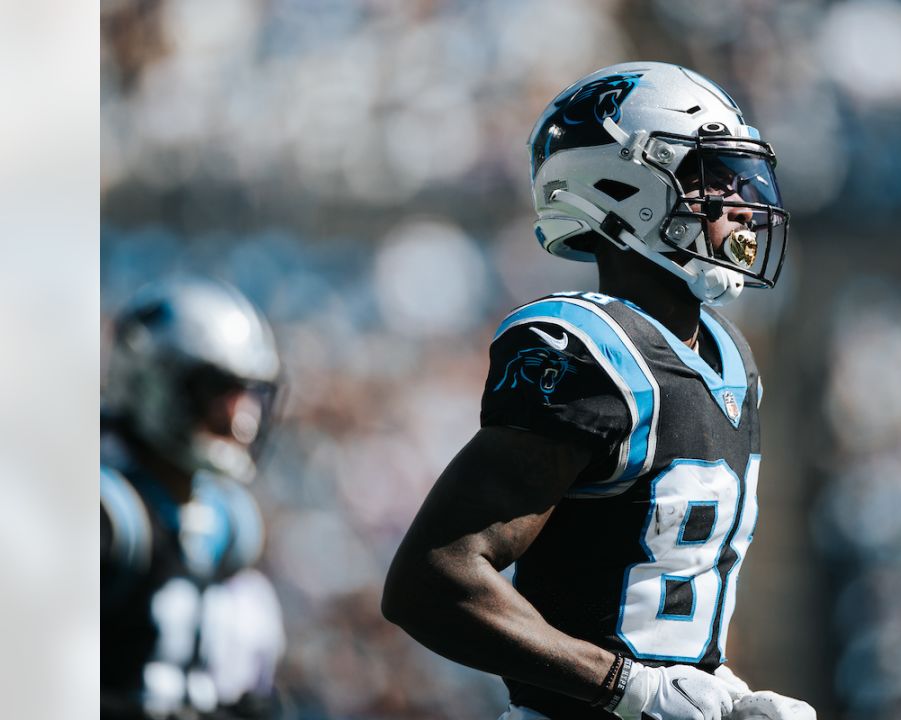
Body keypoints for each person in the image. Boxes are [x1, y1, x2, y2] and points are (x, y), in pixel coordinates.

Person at [382, 62, 815, 720]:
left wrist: (722, 692)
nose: (738, 202)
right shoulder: (589, 350)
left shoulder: (731, 357)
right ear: (624, 186)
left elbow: (652, 604)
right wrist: (626, 687)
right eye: (710, 179)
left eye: (738, 178)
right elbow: (432, 577)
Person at [101, 277, 286, 719]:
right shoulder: (110, 516)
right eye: (219, 393)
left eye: (251, 396)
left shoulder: (227, 521)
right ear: (154, 383)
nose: (242, 420)